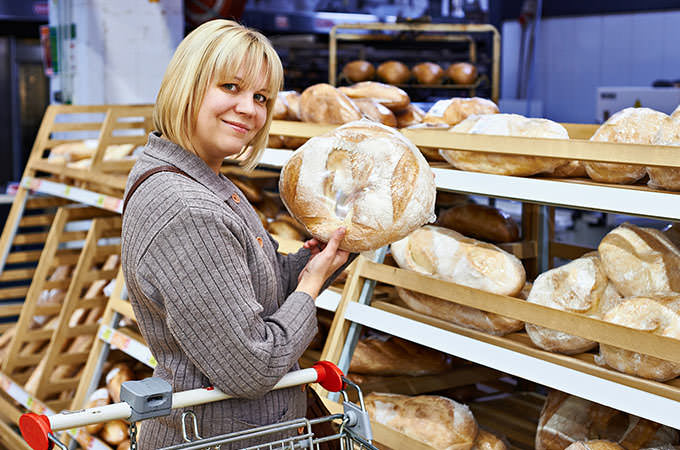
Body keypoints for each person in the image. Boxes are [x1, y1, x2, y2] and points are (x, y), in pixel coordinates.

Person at [120, 19, 350, 449]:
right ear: (187, 85)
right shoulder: (187, 208)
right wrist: (311, 288)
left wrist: (316, 262)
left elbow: (250, 297)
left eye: (261, 97)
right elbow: (252, 365)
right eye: (230, 87)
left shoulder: (203, 181)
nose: (250, 108)